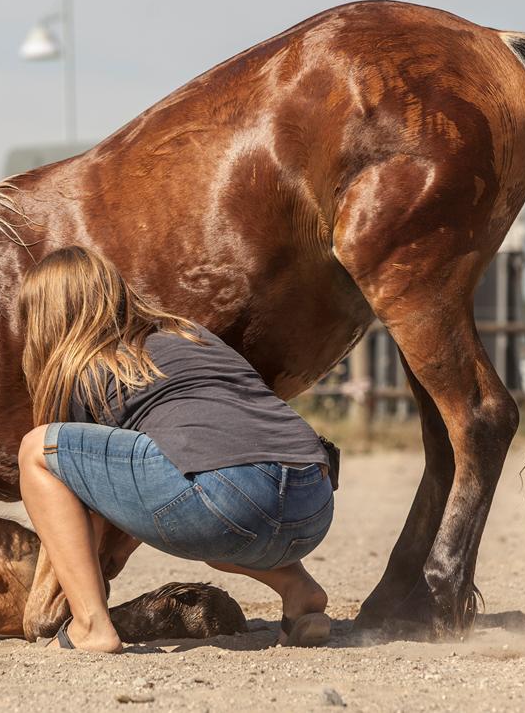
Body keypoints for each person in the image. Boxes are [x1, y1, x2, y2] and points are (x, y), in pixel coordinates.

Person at [17, 246, 334, 653]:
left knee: (37, 451)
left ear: (46, 318)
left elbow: (91, 505)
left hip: (230, 497)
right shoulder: (189, 334)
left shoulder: (89, 368)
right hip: (313, 500)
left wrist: (89, 574)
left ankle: (91, 626)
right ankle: (297, 588)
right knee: (218, 518)